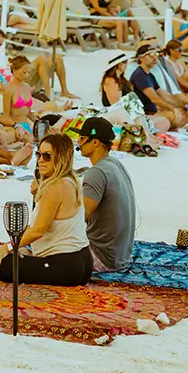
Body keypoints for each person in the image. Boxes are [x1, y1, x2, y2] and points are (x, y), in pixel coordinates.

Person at [0, 133, 88, 286]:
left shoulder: (55, 187)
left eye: (47, 156)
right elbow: (40, 224)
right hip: (81, 261)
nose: (40, 161)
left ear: (61, 158)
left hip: (65, 265)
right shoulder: (71, 180)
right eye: (39, 155)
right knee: (9, 254)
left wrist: (7, 247)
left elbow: (38, 230)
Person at [75, 117, 138, 274]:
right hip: (121, 255)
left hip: (103, 257)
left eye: (82, 138)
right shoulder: (116, 165)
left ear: (95, 142)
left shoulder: (96, 173)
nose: (78, 142)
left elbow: (78, 219)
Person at [129, 43, 188, 130]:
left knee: (185, 113)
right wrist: (174, 109)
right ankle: (170, 127)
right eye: (151, 55)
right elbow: (155, 99)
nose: (155, 58)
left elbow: (166, 96)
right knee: (173, 115)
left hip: (153, 113)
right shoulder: (139, 75)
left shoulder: (150, 75)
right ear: (141, 58)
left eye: (156, 54)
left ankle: (171, 127)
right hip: (143, 115)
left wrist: (185, 106)